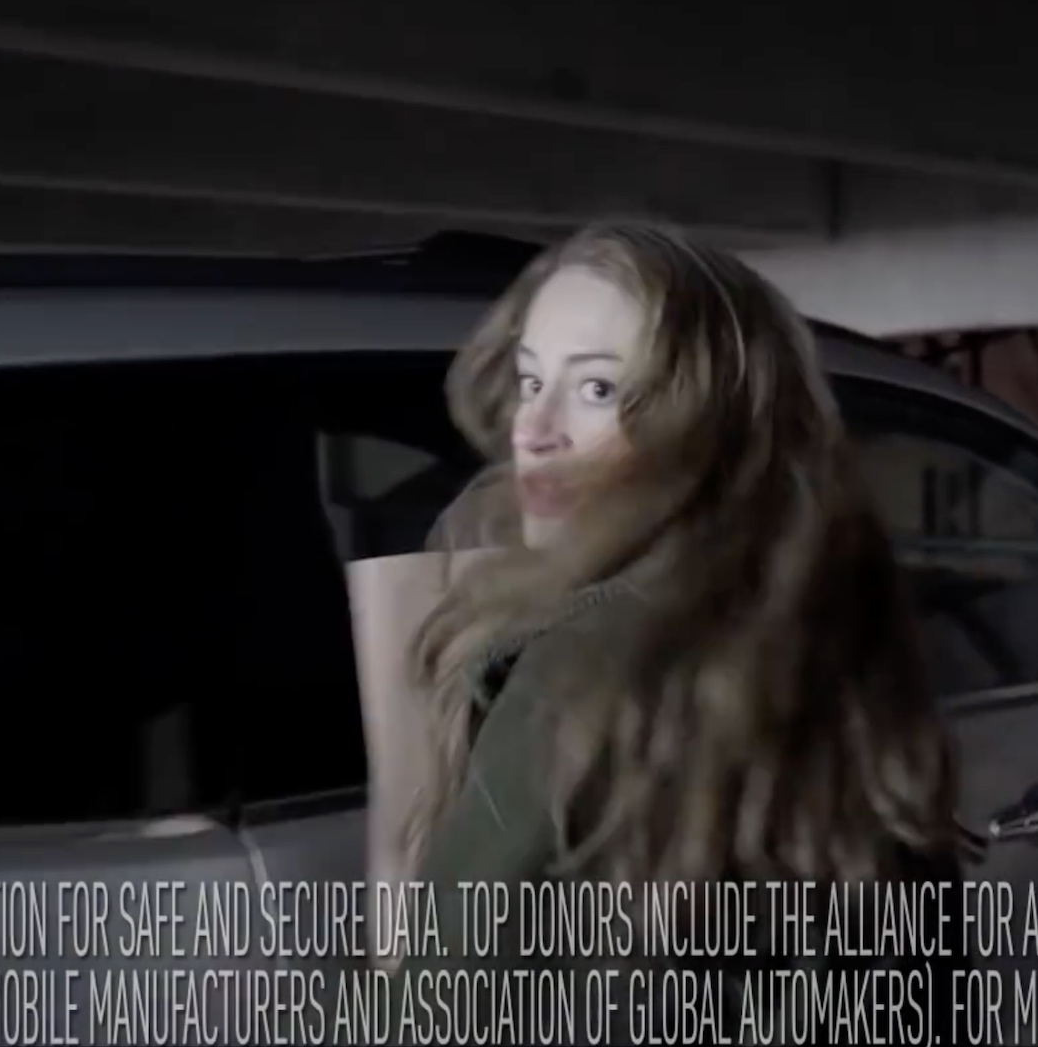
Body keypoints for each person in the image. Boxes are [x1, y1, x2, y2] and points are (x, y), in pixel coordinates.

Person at [386, 221, 965, 1042]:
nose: (533, 428)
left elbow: (440, 1007)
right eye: (529, 380)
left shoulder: (585, 665)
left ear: (702, 420)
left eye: (597, 389)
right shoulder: (830, 631)